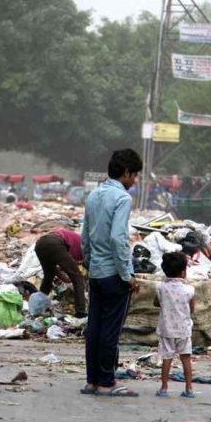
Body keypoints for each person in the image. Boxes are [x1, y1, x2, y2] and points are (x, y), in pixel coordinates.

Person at [81, 148, 143, 397]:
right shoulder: (123, 199)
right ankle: (108, 382)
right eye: (135, 175)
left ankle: (92, 381)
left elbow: (85, 235)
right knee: (110, 331)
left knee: (94, 327)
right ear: (126, 172)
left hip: (96, 272)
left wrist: (88, 263)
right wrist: (127, 274)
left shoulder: (94, 194)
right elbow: (119, 238)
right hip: (113, 275)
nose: (135, 181)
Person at [154, 252, 195, 399]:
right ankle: (189, 388)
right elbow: (192, 308)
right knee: (186, 358)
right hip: (184, 329)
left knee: (166, 358)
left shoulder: (161, 287)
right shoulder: (189, 290)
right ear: (183, 272)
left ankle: (164, 388)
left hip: (167, 329)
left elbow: (156, 303)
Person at [34, 229, 86, 317]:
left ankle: (38, 307)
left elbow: (54, 268)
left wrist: (65, 279)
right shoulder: (83, 248)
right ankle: (80, 312)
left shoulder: (75, 242)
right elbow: (74, 270)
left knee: (48, 276)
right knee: (77, 278)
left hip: (40, 244)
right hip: (55, 242)